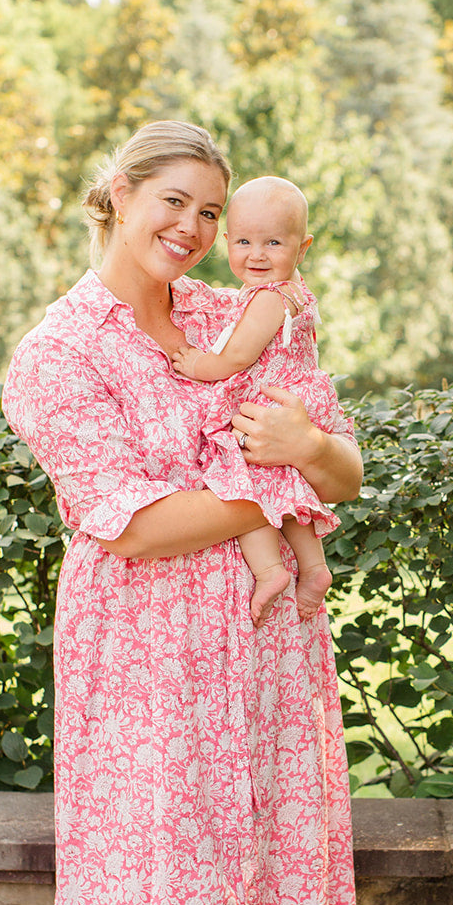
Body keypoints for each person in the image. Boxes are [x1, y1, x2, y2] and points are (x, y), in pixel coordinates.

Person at [0, 121, 361, 905]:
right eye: (174, 201)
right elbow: (135, 524)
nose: (195, 229)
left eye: (211, 210)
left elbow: (344, 465)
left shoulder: (230, 310)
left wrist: (307, 445)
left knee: (217, 888)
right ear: (117, 193)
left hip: (254, 650)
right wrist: (277, 492)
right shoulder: (59, 352)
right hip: (146, 663)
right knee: (169, 890)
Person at [170, 175, 336, 627]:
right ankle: (313, 567)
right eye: (244, 241)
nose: (257, 254)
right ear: (228, 242)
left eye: (273, 243)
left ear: (302, 248)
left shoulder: (269, 298)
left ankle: (270, 571)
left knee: (241, 480)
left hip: (269, 404)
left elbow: (238, 356)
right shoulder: (293, 288)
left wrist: (199, 363)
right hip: (291, 399)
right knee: (283, 483)